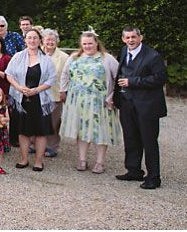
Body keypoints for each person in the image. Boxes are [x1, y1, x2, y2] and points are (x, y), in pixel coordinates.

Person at [59, 30, 121, 175]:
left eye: (90, 43)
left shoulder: (107, 58)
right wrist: (63, 90)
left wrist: (113, 97)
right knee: (82, 130)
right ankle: (82, 159)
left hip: (100, 101)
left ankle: (100, 162)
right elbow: (65, 74)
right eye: (84, 44)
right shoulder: (75, 57)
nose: (87, 46)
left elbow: (118, 77)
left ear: (96, 43)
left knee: (101, 130)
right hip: (79, 101)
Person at [113, 26, 167, 189]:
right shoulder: (124, 51)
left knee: (149, 141)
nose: (131, 40)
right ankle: (134, 170)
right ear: (123, 39)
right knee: (130, 138)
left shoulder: (152, 56)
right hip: (127, 103)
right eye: (127, 37)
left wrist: (133, 82)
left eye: (133, 37)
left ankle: (154, 177)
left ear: (140, 38)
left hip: (147, 105)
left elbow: (160, 78)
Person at [5, 28, 55, 171]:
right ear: (25, 40)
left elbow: (51, 79)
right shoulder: (18, 57)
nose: (32, 41)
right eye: (29, 38)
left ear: (40, 41)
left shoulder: (46, 59)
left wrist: (35, 90)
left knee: (40, 131)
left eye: (35, 38)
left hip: (40, 99)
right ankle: (24, 158)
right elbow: (9, 74)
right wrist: (19, 88)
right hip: (22, 98)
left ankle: (38, 161)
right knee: (23, 131)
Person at [41, 28, 69, 157]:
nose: (50, 42)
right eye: (48, 39)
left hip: (55, 93)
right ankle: (34, 144)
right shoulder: (36, 53)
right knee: (37, 120)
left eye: (53, 40)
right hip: (37, 94)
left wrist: (65, 90)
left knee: (53, 121)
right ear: (43, 41)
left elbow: (67, 76)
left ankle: (51, 146)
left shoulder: (64, 57)